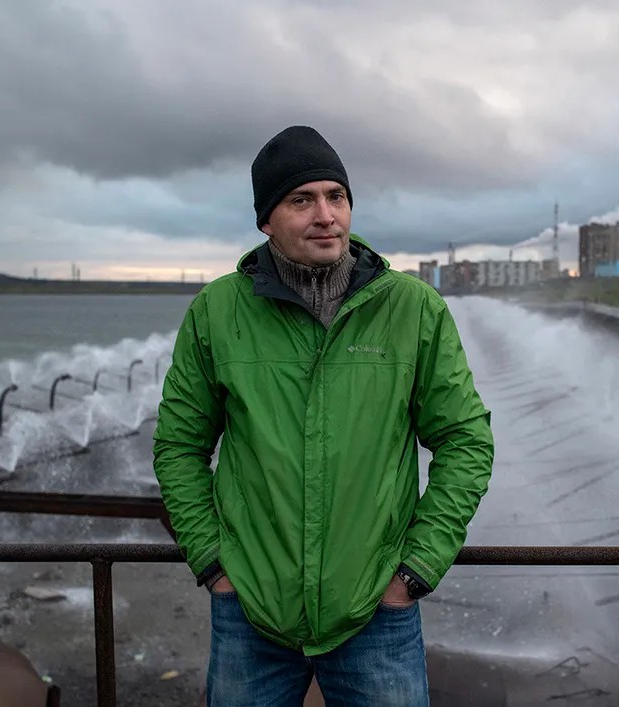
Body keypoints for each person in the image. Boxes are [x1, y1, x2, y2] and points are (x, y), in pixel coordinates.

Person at [153, 125, 495, 706]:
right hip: (251, 615)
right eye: (301, 199)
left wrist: (415, 570)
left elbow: (465, 440)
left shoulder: (411, 309)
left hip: (376, 614)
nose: (325, 215)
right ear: (266, 219)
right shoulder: (217, 311)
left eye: (336, 196)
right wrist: (215, 563)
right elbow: (178, 447)